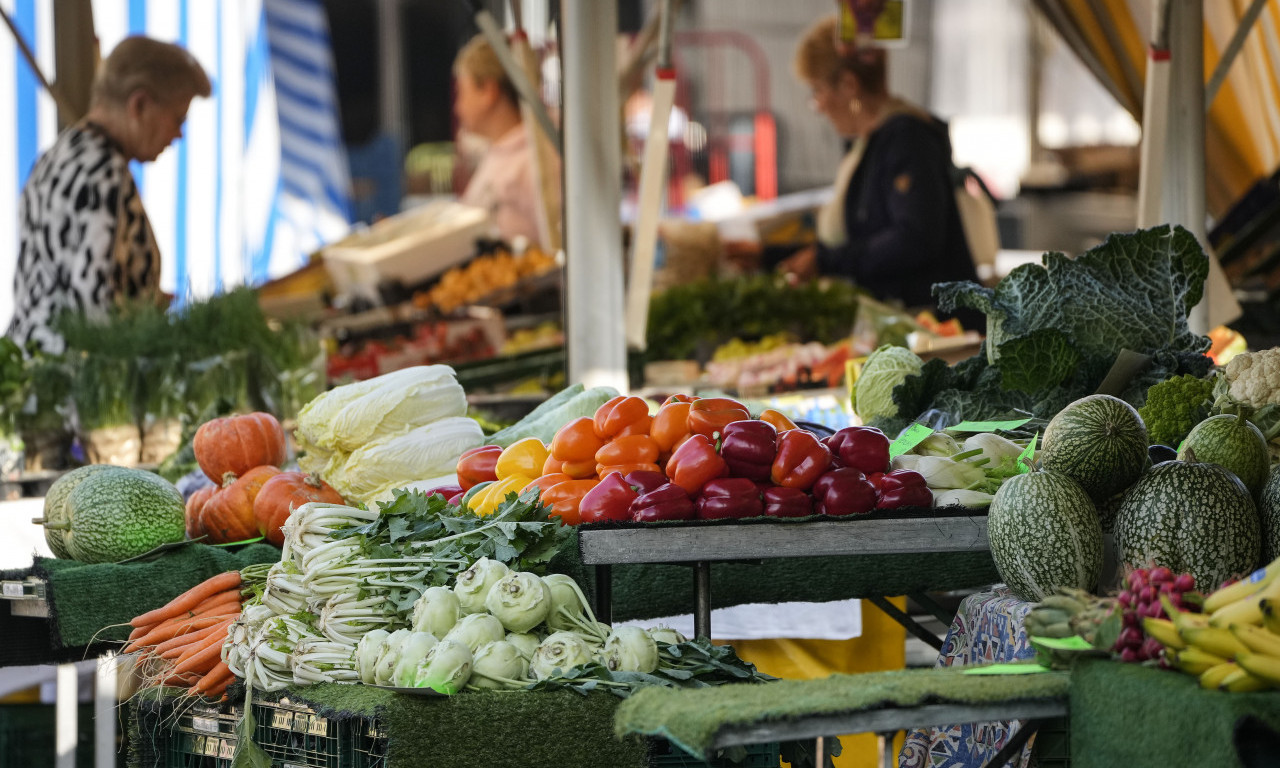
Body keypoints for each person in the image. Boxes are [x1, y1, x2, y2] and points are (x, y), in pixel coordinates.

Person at [6, 36, 211, 356]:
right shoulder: (106, 175)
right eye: (177, 118)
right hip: (72, 391)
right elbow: (97, 320)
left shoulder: (53, 157)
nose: (178, 134)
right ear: (139, 105)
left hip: (29, 373)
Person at [773, 16, 979, 314]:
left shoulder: (907, 138)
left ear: (848, 84)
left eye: (817, 91)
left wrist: (824, 261)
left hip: (937, 327)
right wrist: (769, 256)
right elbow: (859, 240)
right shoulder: (869, 144)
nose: (817, 106)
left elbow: (914, 239)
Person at [453, 34, 559, 249]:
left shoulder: (539, 159)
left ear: (488, 92)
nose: (457, 107)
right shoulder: (500, 152)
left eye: (462, 93)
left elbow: (560, 244)